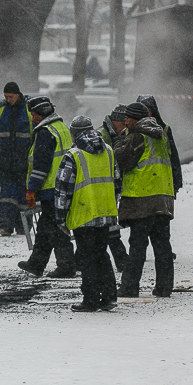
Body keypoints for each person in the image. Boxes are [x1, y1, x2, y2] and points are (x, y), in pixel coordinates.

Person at [55, 116, 121, 312]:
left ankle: (91, 299)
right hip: (105, 212)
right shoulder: (108, 151)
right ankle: (109, 296)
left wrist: (61, 218)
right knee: (101, 253)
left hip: (83, 213)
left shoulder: (73, 155)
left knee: (86, 257)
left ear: (74, 134)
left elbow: (63, 190)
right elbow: (117, 182)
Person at [115, 102, 175, 298]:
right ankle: (164, 287)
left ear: (136, 119)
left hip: (143, 198)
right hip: (162, 197)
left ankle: (129, 287)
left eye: (128, 117)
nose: (125, 120)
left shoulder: (136, 137)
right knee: (162, 244)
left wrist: (119, 143)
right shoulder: (160, 134)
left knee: (138, 246)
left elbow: (122, 160)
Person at [17, 96, 77, 278]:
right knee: (45, 226)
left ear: (40, 114)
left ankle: (66, 265)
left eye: (33, 115)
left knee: (56, 228)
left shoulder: (45, 132)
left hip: (52, 189)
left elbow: (41, 166)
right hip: (64, 186)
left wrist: (31, 189)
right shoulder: (62, 128)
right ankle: (36, 263)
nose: (32, 118)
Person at [0, 82, 32, 236]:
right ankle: (5, 224)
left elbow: (35, 135)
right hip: (6, 161)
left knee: (23, 195)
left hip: (24, 161)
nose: (8, 100)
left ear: (18, 95)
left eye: (11, 97)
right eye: (6, 97)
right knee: (7, 194)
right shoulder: (0, 110)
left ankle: (23, 226)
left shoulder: (28, 108)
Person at [98, 104, 129, 271]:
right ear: (115, 121)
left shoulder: (117, 135)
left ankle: (81, 259)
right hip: (101, 187)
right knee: (107, 224)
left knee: (105, 224)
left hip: (110, 186)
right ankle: (121, 259)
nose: (125, 127)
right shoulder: (102, 136)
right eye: (123, 123)